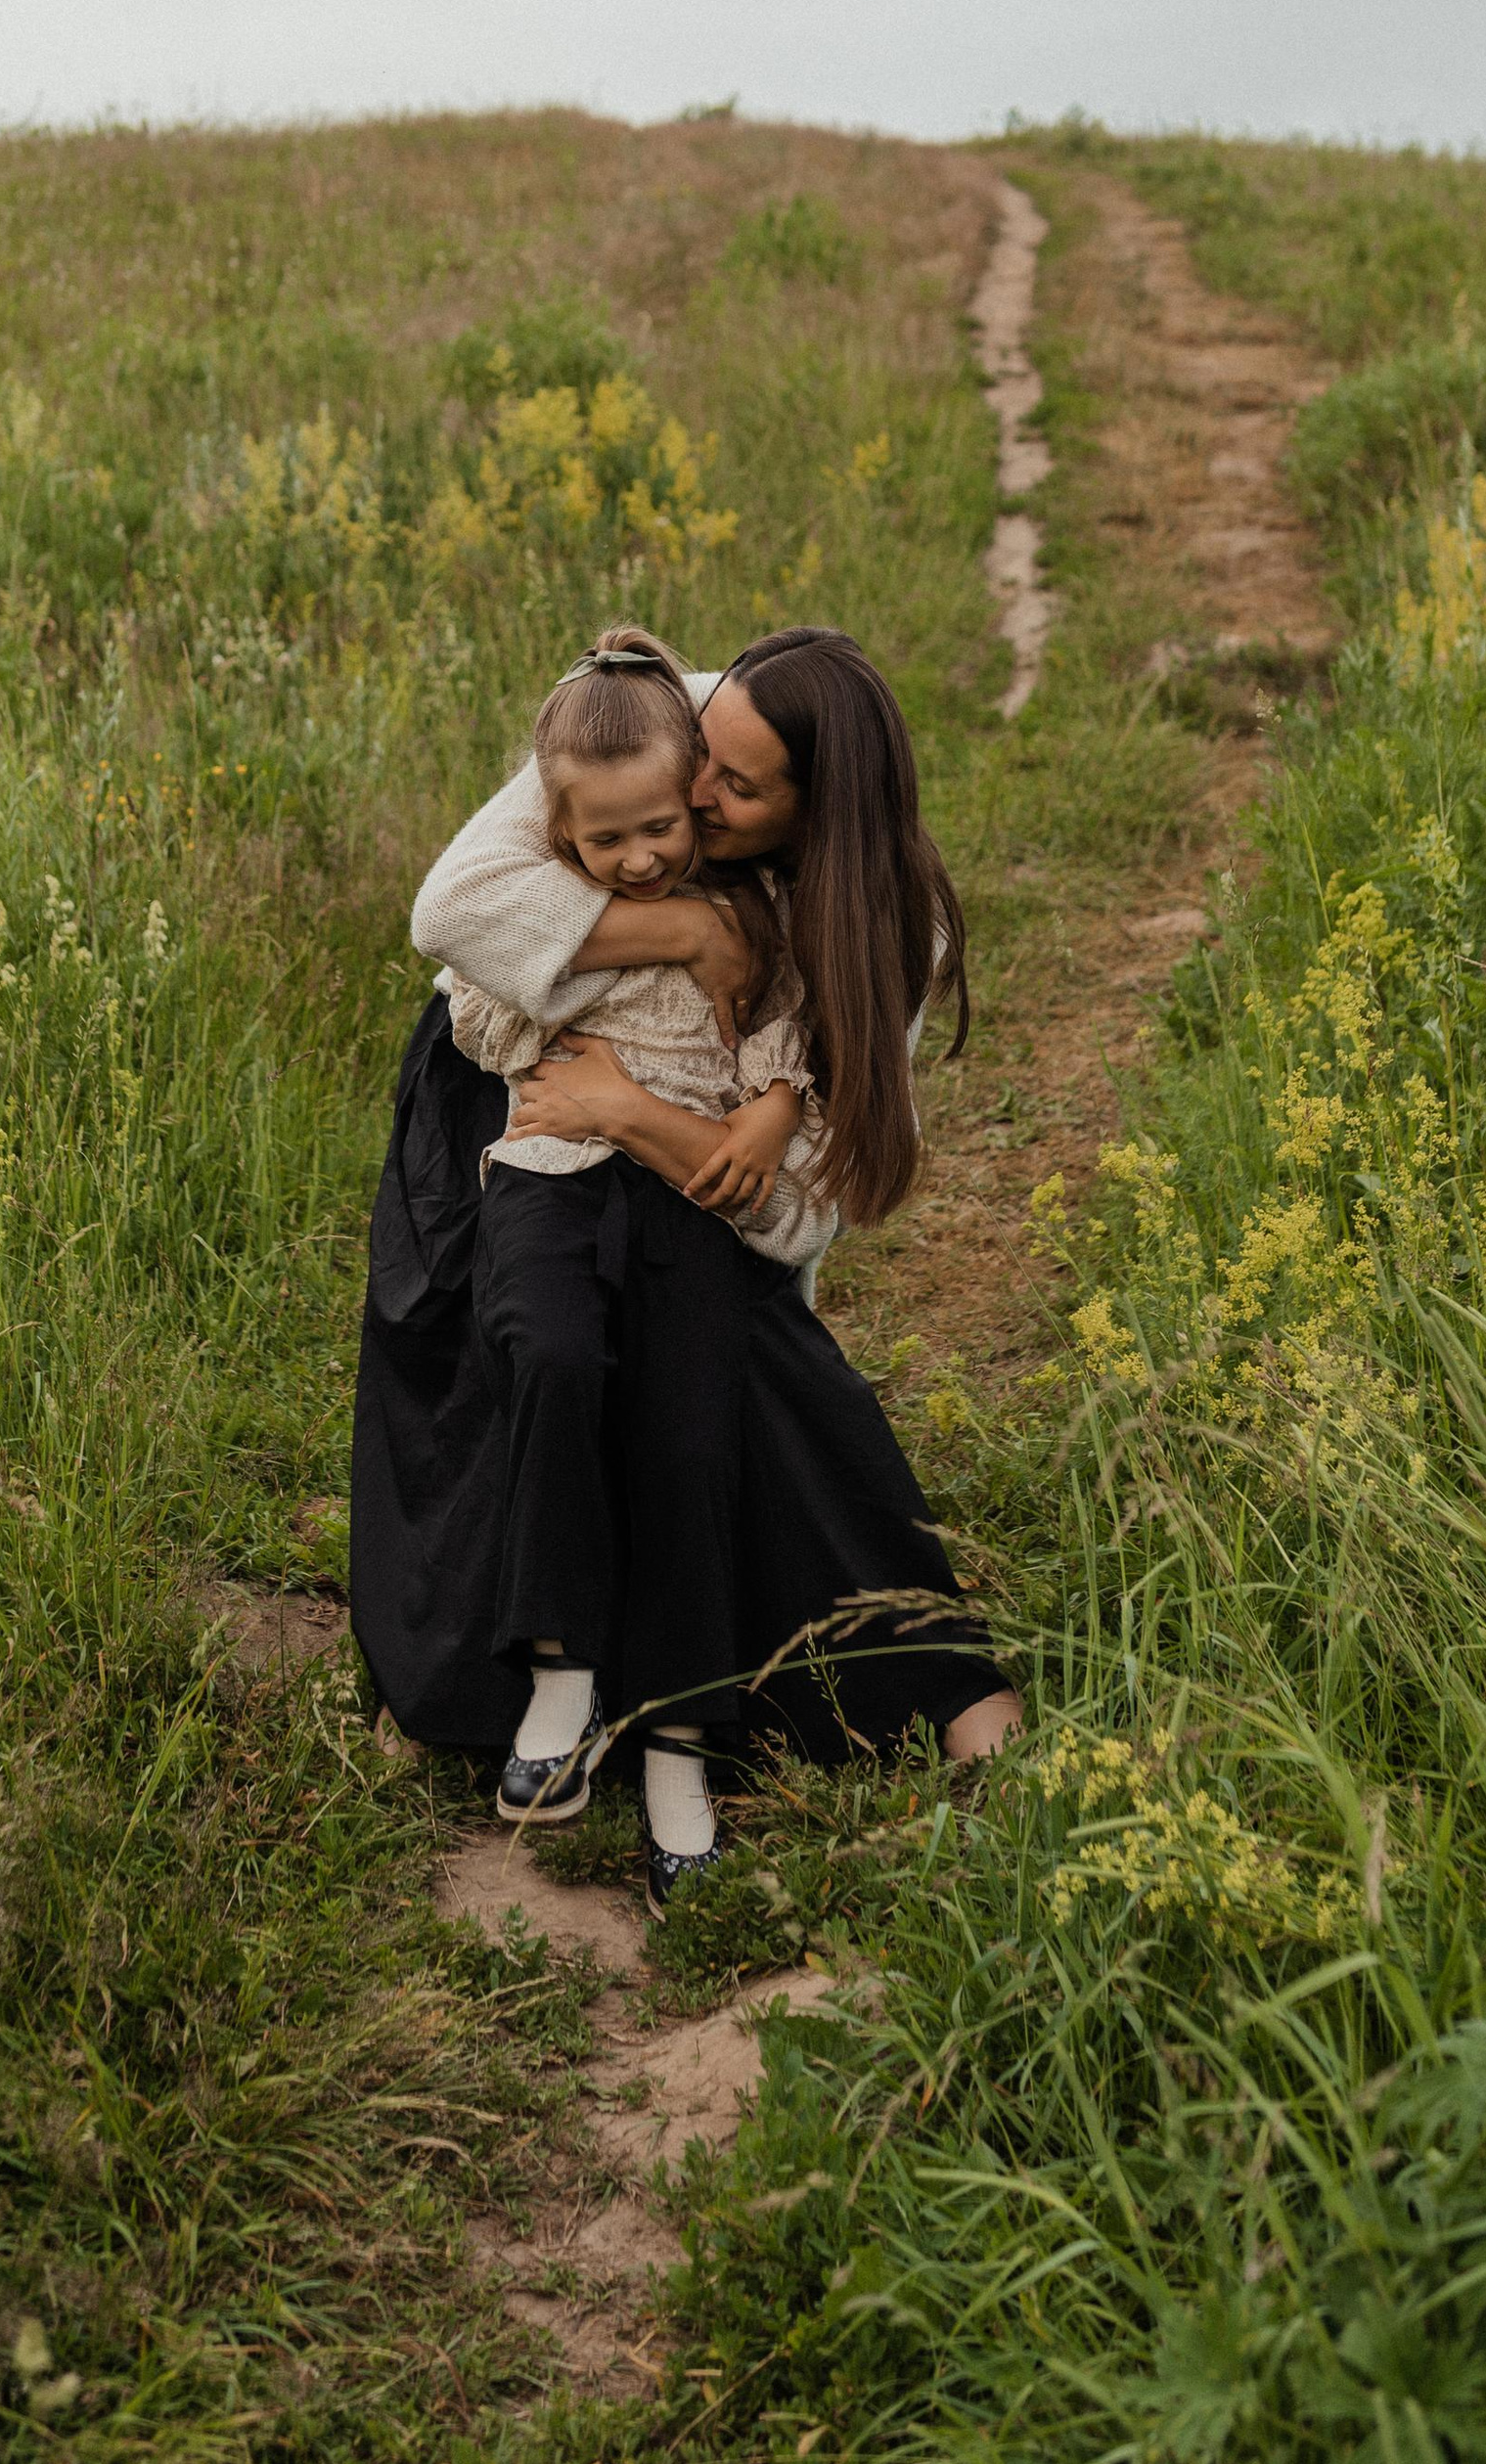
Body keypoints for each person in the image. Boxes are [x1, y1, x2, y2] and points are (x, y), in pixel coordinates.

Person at [350, 620, 1021, 1915]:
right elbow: (450, 912)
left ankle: (850, 1689)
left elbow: (795, 1224)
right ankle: (570, 1674)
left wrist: (661, 1113)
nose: (695, 799)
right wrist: (679, 937)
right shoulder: (654, 721)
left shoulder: (889, 937)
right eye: (705, 756)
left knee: (733, 1374)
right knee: (570, 1341)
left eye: (737, 790)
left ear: (816, 825)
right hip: (516, 1113)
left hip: (686, 1161)